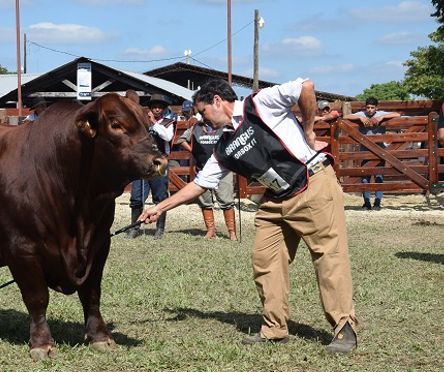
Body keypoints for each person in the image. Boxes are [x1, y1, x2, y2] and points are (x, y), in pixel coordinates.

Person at [139, 78, 358, 354]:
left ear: (217, 101)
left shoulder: (260, 103)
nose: (200, 118)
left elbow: (306, 86)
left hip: (312, 185)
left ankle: (344, 328)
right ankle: (274, 329)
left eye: (203, 111)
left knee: (329, 258)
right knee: (264, 260)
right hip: (276, 200)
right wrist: (159, 208)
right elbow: (199, 185)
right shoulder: (224, 147)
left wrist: (309, 129)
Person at [174, 119, 238, 241]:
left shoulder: (223, 126)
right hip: (202, 169)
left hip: (223, 170)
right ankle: (211, 230)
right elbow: (180, 140)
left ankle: (232, 232)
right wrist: (192, 150)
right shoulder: (195, 127)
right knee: (205, 202)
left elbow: (236, 138)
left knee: (226, 201)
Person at [127, 93, 176, 239]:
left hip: (159, 162)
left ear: (164, 109)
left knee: (160, 196)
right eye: (154, 107)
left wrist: (154, 122)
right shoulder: (143, 122)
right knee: (136, 196)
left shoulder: (168, 122)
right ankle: (134, 228)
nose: (157, 109)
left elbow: (167, 137)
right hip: (142, 162)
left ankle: (159, 229)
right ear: (150, 108)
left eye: (159, 107)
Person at [344, 97, 400, 210]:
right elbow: (345, 116)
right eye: (368, 107)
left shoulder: (380, 113)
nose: (369, 110)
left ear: (376, 108)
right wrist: (359, 117)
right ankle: (366, 202)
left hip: (379, 152)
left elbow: (397, 114)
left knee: (379, 177)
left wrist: (382, 117)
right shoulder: (362, 114)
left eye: (372, 107)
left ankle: (377, 202)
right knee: (365, 177)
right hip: (364, 151)